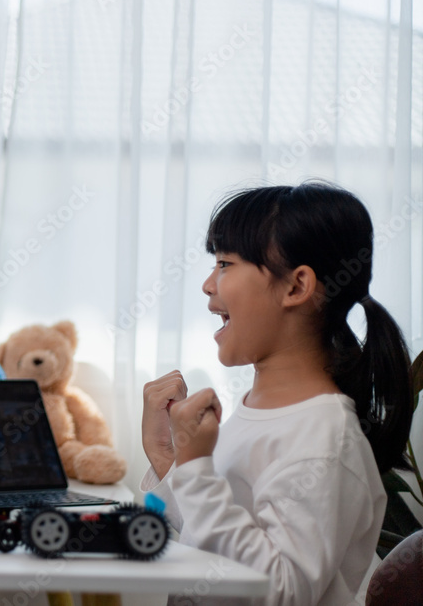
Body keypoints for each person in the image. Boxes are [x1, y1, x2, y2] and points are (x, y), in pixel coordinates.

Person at [141, 182, 413, 606]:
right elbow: (217, 534)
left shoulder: (324, 439)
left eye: (225, 264)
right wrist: (168, 455)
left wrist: (195, 466)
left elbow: (282, 591)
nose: (208, 285)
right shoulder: (266, 411)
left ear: (295, 287)